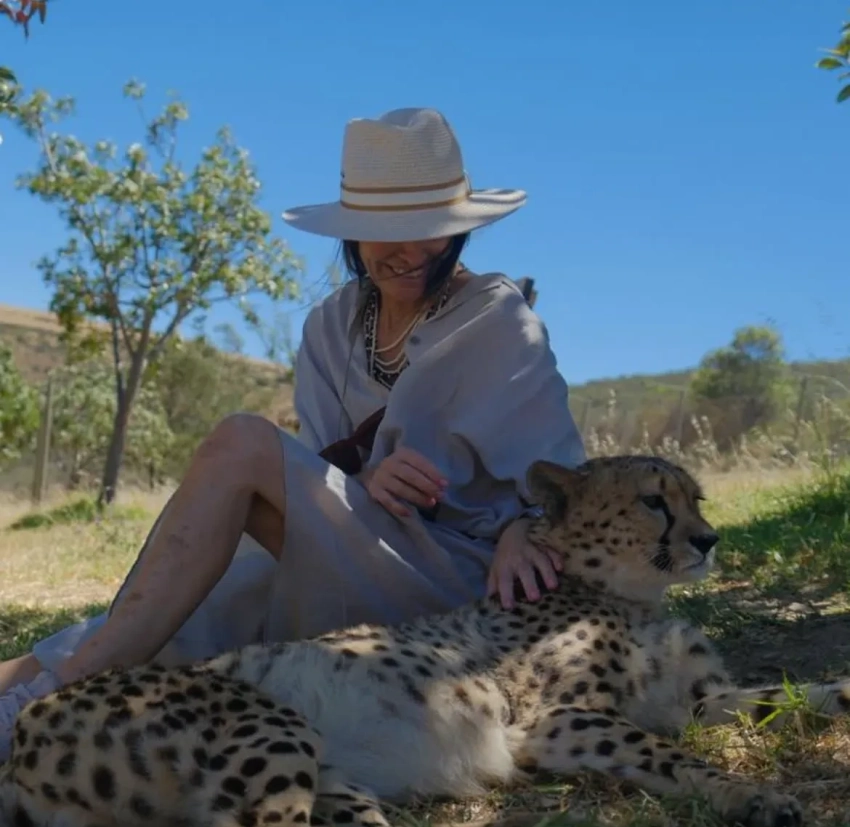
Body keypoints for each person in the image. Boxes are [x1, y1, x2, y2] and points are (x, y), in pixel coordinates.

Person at [0, 106, 585, 760]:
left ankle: (54, 702)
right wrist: (365, 479)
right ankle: (32, 684)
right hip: (346, 558)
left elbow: (568, 485)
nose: (413, 253)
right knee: (176, 608)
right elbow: (317, 470)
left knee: (241, 446)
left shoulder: (498, 320)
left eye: (433, 231)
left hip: (459, 585)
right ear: (353, 234)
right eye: (388, 233)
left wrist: (524, 529)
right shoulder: (332, 324)